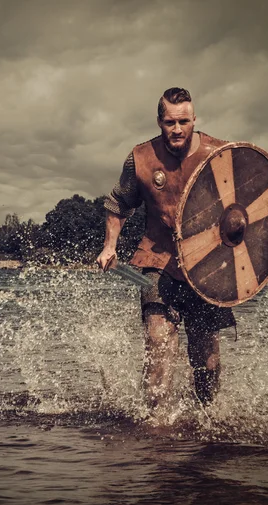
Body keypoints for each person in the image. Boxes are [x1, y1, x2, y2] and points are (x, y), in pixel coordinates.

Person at [96, 87, 236, 411]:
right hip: (158, 262)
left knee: (208, 360)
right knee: (160, 343)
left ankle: (206, 421)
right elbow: (118, 203)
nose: (177, 129)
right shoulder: (141, 158)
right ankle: (155, 425)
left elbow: (242, 207)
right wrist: (109, 246)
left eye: (183, 121)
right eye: (170, 122)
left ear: (194, 120)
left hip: (206, 267)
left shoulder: (218, 153)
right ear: (159, 121)